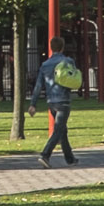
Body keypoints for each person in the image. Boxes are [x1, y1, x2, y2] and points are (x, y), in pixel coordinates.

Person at [28, 36, 78, 168]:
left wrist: (33, 104)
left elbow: (38, 85)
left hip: (51, 102)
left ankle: (70, 159)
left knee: (62, 130)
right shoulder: (68, 61)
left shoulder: (45, 65)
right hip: (64, 101)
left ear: (51, 48)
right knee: (58, 130)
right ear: (62, 47)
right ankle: (45, 155)